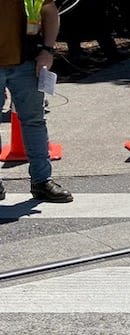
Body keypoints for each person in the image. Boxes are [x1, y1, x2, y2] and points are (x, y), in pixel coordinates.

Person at [0, 0, 72, 202]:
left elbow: (49, 11)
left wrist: (48, 51)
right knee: (34, 122)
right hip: (24, 63)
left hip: (27, 62)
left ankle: (42, 182)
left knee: (35, 122)